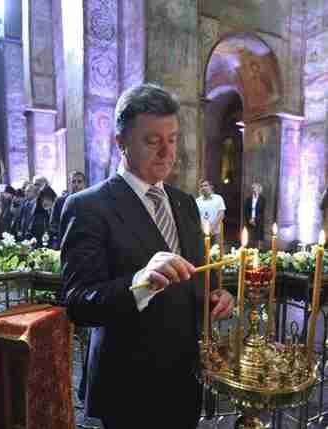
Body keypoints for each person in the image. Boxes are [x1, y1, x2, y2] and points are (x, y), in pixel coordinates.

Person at [59, 83, 234, 428]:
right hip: (129, 383)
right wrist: (140, 282)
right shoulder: (88, 206)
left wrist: (217, 296)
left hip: (185, 376)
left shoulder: (184, 202)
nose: (167, 152)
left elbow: (196, 277)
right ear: (121, 142)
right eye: (152, 141)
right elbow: (78, 303)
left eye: (172, 138)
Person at [49, 170, 87, 248]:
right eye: (73, 181)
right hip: (64, 242)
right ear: (69, 183)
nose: (76, 184)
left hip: (83, 243)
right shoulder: (60, 201)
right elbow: (53, 223)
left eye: (79, 182)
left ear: (84, 184)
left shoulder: (89, 201)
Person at [196, 179, 226, 244]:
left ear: (211, 187)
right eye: (201, 186)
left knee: (215, 251)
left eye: (206, 185)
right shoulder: (197, 201)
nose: (203, 188)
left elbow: (221, 213)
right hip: (202, 232)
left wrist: (213, 227)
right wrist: (202, 228)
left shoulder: (218, 198)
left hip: (215, 232)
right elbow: (196, 216)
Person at [244, 183, 266, 249]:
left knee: (258, 235)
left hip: (258, 220)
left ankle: (258, 249)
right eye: (253, 188)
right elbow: (246, 211)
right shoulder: (248, 199)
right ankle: (250, 249)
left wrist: (255, 219)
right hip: (249, 220)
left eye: (256, 188)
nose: (254, 190)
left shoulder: (262, 199)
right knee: (250, 235)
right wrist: (249, 219)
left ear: (259, 190)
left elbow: (261, 211)